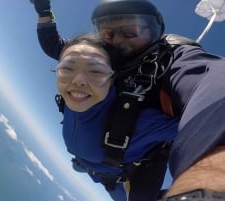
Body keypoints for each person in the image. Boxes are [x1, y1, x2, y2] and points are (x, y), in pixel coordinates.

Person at [30, 0, 225, 200]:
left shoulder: (172, 60)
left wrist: (208, 187)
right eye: (107, 34)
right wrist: (44, 11)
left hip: (133, 169)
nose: (118, 42)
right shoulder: (95, 56)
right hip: (92, 162)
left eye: (130, 33)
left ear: (155, 31)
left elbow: (215, 82)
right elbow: (53, 44)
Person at [53, 33, 178, 201]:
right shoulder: (72, 98)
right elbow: (49, 42)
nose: (78, 80)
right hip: (90, 165)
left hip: (118, 182)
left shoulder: (137, 123)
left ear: (112, 79)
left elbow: (204, 124)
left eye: (96, 71)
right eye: (67, 68)